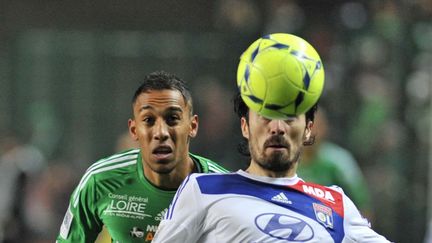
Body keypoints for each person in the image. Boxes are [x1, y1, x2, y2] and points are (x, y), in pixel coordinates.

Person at [152, 92, 391, 242]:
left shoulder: (336, 204)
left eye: (289, 118)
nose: (277, 127)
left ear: (308, 129)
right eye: (265, 117)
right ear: (245, 127)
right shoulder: (202, 189)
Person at [56, 71, 228, 243]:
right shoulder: (99, 181)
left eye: (172, 118)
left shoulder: (226, 190)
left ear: (192, 126)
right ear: (134, 130)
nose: (161, 132)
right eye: (148, 120)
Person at [298, 109, 372, 219]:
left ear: (325, 128)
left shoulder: (339, 161)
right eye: (305, 127)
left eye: (315, 126)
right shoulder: (284, 162)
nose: (310, 133)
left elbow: (362, 203)